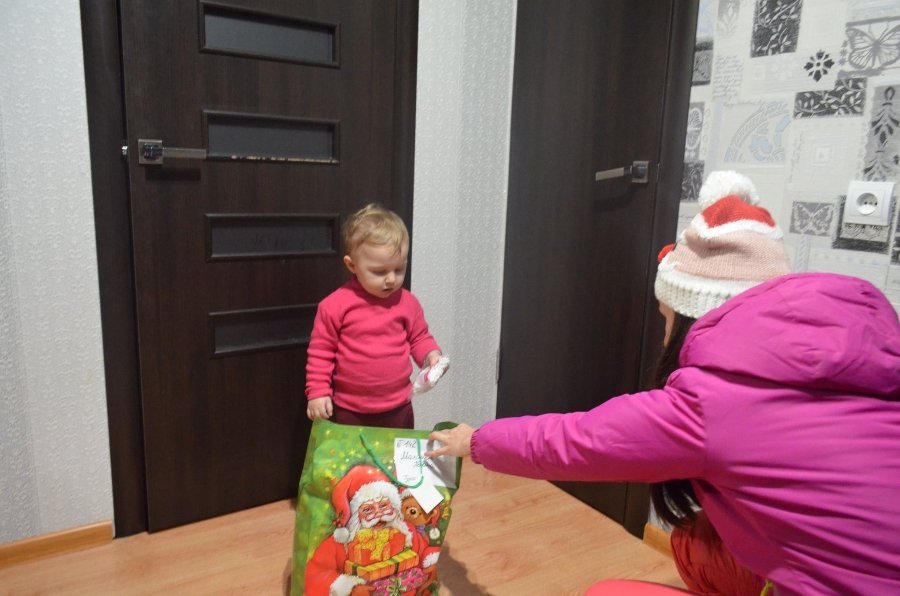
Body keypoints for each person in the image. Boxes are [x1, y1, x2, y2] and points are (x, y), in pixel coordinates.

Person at [426, 171, 900, 595]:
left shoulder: (711, 404)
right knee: (699, 541)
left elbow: (577, 439)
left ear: (695, 317)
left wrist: (476, 440)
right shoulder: (867, 361)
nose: (664, 334)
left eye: (666, 318)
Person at [306, 203, 445, 429]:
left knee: (396, 452)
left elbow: (419, 338)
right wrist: (318, 392)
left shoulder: (408, 303)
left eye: (399, 269)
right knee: (355, 454)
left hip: (399, 406)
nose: (391, 279)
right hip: (350, 410)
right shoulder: (334, 306)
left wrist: (431, 356)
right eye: (379, 272)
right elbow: (321, 353)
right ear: (352, 265)